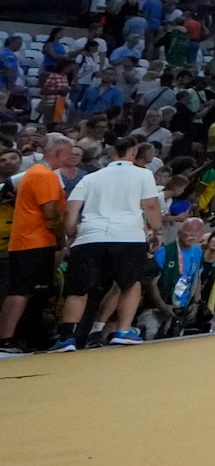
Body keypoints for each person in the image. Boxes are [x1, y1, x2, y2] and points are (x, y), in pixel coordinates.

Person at [62, 136, 165, 347]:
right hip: (127, 236)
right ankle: (123, 331)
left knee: (78, 290)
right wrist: (158, 231)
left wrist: (71, 233)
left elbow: (71, 209)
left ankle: (66, 338)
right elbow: (151, 205)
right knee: (130, 284)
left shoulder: (91, 178)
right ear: (134, 152)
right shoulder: (143, 174)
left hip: (90, 236)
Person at [1, 133, 77, 353]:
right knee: (21, 291)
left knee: (32, 292)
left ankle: (23, 337)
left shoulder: (36, 173)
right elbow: (50, 212)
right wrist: (60, 236)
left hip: (31, 240)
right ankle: (5, 340)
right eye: (69, 154)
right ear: (60, 153)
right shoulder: (45, 175)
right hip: (33, 241)